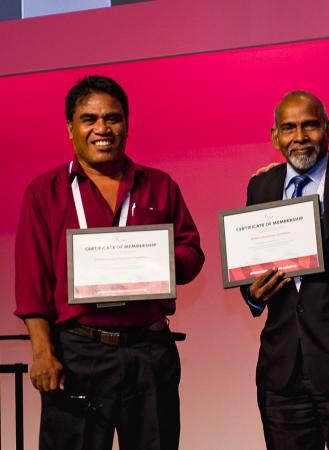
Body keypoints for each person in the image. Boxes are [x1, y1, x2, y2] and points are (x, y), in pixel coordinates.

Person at [14, 75, 205, 450]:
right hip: (78, 356)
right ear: (71, 128)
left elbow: (192, 253)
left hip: (149, 352)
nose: (102, 128)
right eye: (89, 119)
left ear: (127, 124)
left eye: (113, 118)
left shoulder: (159, 185)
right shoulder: (44, 192)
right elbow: (31, 284)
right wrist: (42, 353)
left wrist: (154, 259)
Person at [241, 91, 329, 450]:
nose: (300, 136)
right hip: (282, 370)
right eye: (288, 128)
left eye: (310, 125)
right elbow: (251, 264)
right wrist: (253, 295)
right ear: (275, 137)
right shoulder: (261, 186)